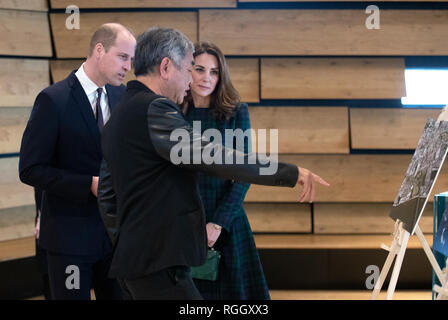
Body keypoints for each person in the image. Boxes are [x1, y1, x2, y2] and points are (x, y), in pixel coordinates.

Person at [98, 26, 329, 300]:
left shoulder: (121, 110)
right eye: (189, 69)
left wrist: (127, 242)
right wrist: (290, 172)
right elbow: (216, 158)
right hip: (160, 265)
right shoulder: (157, 109)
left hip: (137, 264)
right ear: (165, 67)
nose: (190, 80)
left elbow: (107, 193)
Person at [18, 23, 136, 300]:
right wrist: (88, 185)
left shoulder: (122, 95)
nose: (128, 66)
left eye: (131, 59)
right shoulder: (53, 100)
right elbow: (30, 169)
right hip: (68, 239)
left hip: (115, 238)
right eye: (123, 57)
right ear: (99, 50)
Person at [182, 41, 269, 299]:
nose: (206, 78)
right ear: (187, 70)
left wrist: (218, 222)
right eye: (199, 69)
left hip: (225, 219)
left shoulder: (236, 112)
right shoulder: (173, 111)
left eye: (214, 72)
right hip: (182, 220)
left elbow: (245, 173)